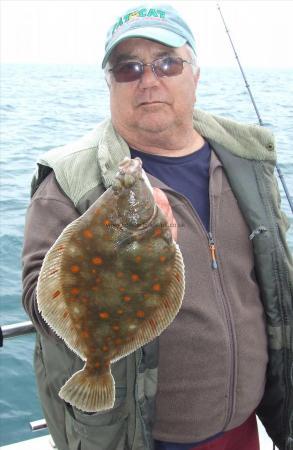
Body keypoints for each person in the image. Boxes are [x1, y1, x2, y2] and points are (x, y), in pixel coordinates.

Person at [22, 3, 292, 450]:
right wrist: (117, 250)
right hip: (143, 437)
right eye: (127, 68)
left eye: (167, 62)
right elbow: (39, 300)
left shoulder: (247, 161)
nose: (149, 79)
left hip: (248, 428)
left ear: (196, 75)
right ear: (109, 84)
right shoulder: (68, 181)